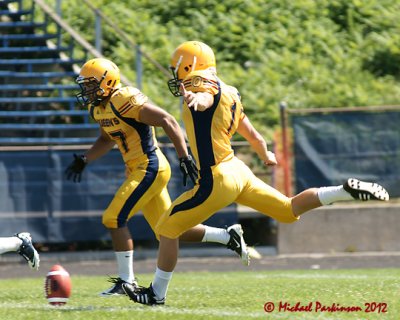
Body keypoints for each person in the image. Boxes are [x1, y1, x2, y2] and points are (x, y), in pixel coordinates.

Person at [123, 40, 390, 305]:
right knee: (287, 209)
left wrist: (197, 99)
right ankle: (343, 191)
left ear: (190, 64)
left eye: (177, 68)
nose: (176, 75)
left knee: (166, 229)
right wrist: (265, 154)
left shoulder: (197, 81)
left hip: (217, 177)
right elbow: (252, 134)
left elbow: (205, 96)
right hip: (238, 171)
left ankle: (156, 293)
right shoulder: (231, 92)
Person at [65, 58, 250, 297]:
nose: (87, 90)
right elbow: (106, 138)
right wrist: (86, 158)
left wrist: (184, 157)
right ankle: (227, 236)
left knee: (113, 218)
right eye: (85, 85)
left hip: (150, 167)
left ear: (108, 82)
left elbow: (167, 120)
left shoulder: (124, 99)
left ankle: (126, 281)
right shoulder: (98, 107)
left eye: (91, 85)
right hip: (137, 169)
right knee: (167, 231)